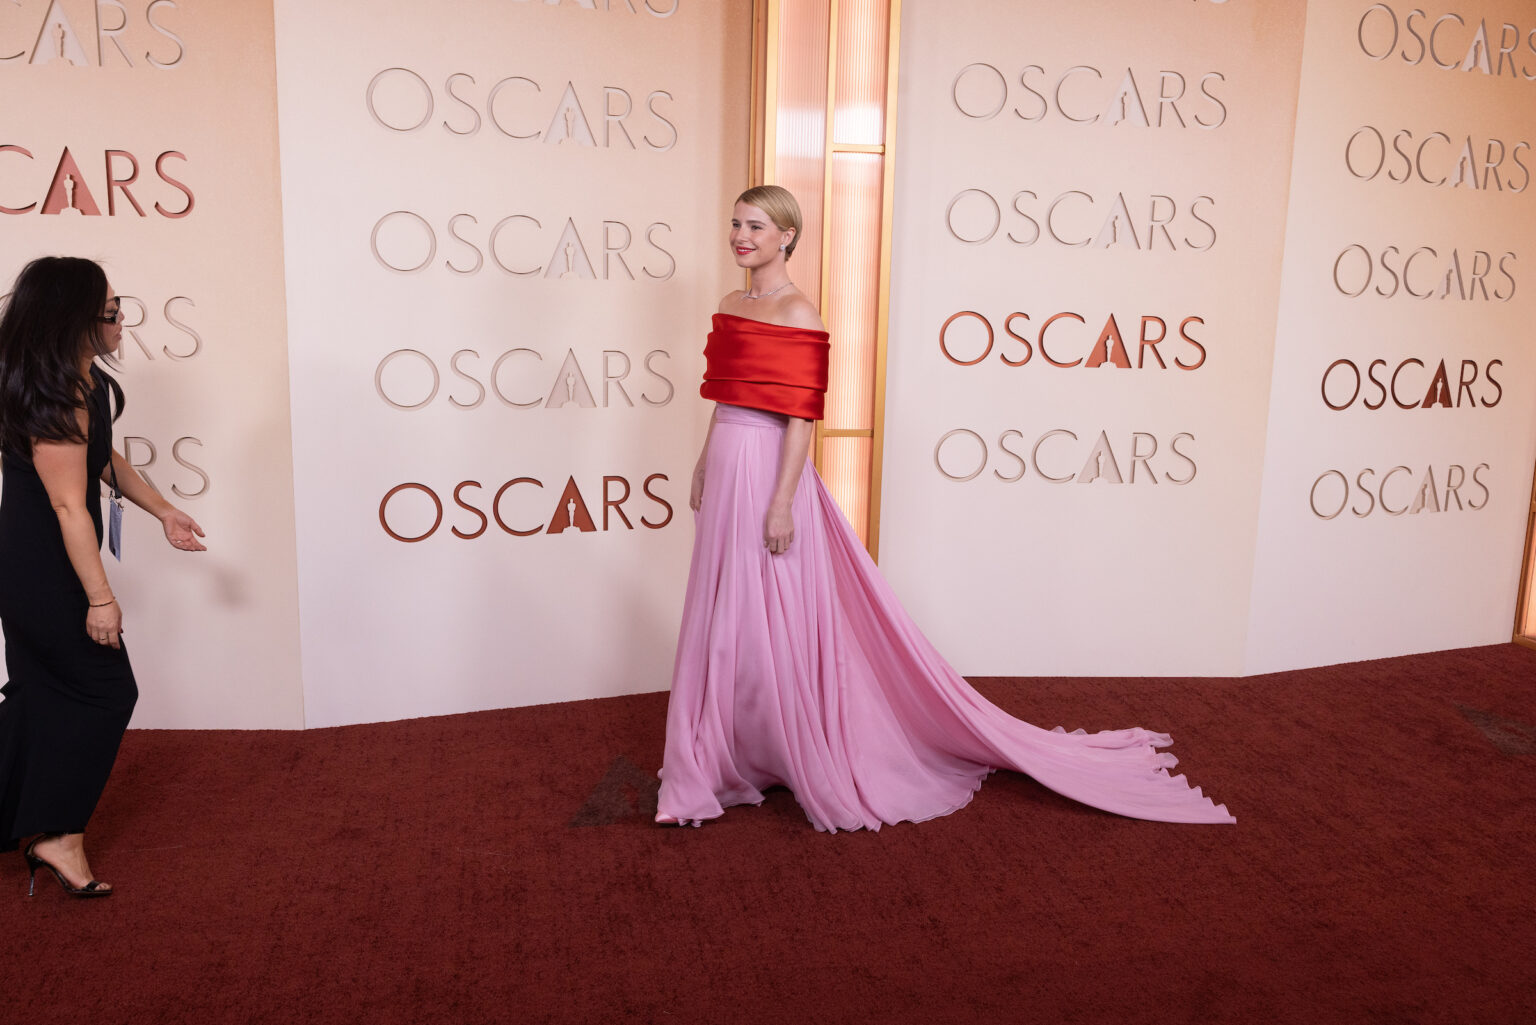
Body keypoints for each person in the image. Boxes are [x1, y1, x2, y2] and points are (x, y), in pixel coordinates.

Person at [655, 186, 1234, 831]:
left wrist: (783, 501)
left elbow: (801, 419)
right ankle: (728, 751)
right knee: (726, 604)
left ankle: (788, 746)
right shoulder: (731, 304)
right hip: (728, 460)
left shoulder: (800, 313)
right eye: (737, 224)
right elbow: (724, 397)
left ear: (787, 236)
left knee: (773, 608)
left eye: (757, 226)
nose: (741, 236)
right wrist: (704, 462)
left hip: (769, 470)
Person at [0, 256, 207, 896]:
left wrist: (163, 509)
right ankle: (58, 836)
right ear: (75, 319)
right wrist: (100, 599)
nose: (122, 322)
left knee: (38, 695)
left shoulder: (79, 380)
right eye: (112, 311)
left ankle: (44, 827)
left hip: (41, 560)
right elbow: (69, 504)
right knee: (105, 690)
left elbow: (100, 458)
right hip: (45, 569)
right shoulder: (57, 393)